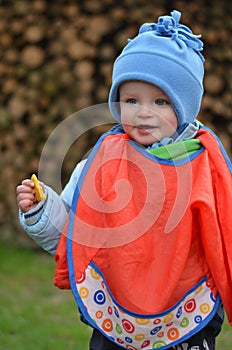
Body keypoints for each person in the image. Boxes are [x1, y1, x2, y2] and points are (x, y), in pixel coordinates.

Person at [16, 10, 232, 350]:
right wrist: (43, 211)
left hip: (187, 315)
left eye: (160, 101)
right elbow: (74, 232)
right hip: (114, 315)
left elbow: (225, 237)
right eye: (132, 100)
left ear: (185, 106)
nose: (143, 112)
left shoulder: (205, 165)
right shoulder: (100, 161)